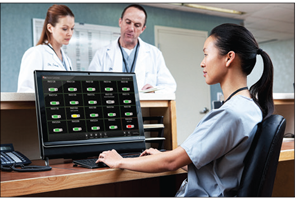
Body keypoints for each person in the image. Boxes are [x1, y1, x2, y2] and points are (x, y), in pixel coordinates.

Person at [96, 23, 274, 197]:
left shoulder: (230, 114)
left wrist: (119, 161)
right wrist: (162, 156)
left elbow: (171, 162)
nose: (202, 63)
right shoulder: (251, 107)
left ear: (228, 58)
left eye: (206, 55)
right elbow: (217, 172)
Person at [88, 4, 176, 93]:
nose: (131, 28)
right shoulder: (102, 54)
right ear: (120, 22)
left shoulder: (154, 54)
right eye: (128, 22)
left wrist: (153, 91)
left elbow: (169, 86)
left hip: (143, 106)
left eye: (137, 25)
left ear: (142, 29)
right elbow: (90, 85)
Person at [17, 4, 75, 93]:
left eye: (72, 28)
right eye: (64, 29)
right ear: (50, 28)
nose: (70, 33)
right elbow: (25, 91)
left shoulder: (67, 60)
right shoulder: (37, 53)